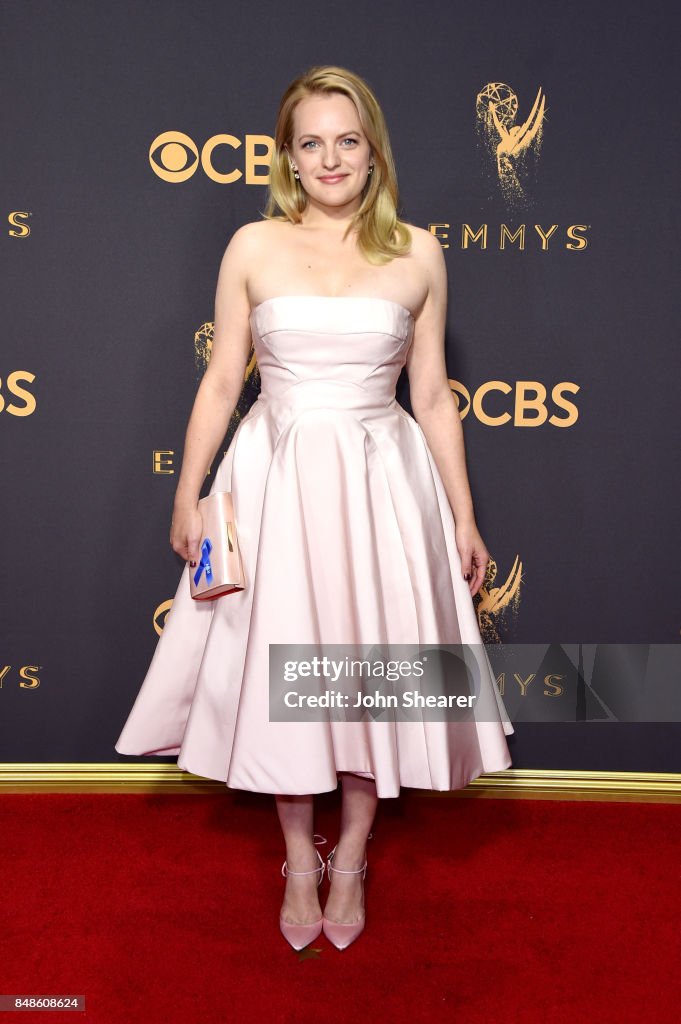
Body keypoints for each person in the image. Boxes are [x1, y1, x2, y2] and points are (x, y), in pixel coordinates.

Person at [115, 64, 514, 952]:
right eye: (310, 143)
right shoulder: (252, 246)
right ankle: (299, 853)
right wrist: (189, 492)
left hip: (381, 483)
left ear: (371, 154)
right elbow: (223, 380)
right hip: (274, 479)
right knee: (283, 667)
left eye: (347, 140)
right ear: (288, 159)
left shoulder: (417, 251)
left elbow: (434, 397)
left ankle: (354, 852)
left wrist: (463, 515)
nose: (329, 158)